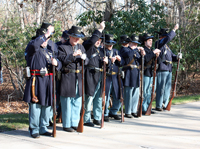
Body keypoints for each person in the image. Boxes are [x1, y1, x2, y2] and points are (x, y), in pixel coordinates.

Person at [23, 23, 61, 138]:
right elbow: (34, 45)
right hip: (36, 79)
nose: (45, 41)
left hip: (48, 79)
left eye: (47, 39)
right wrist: (46, 35)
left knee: (47, 105)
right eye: (44, 39)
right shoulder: (32, 46)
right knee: (36, 104)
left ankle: (43, 127)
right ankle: (34, 128)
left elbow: (58, 61)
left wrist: (57, 64)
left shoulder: (51, 48)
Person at [58, 26, 89, 132]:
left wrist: (85, 59)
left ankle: (74, 123)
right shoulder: (63, 47)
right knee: (67, 101)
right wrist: (73, 56)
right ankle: (66, 124)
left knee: (77, 101)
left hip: (78, 77)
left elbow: (87, 61)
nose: (77, 39)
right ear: (70, 36)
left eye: (78, 38)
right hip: (67, 76)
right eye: (75, 37)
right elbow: (62, 61)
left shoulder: (81, 46)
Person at [83, 21, 110, 126]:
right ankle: (86, 119)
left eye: (100, 40)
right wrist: (100, 29)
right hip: (90, 74)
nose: (98, 41)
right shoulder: (88, 47)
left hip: (100, 75)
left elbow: (106, 66)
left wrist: (106, 63)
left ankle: (97, 117)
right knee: (89, 97)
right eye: (97, 40)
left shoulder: (102, 51)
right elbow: (92, 40)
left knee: (99, 97)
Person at [155, 24, 182, 111]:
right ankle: (159, 105)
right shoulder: (159, 43)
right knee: (161, 88)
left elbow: (171, 56)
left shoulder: (166, 46)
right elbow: (168, 39)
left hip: (169, 68)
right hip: (162, 68)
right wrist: (174, 29)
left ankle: (165, 104)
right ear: (162, 37)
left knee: (167, 88)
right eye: (165, 36)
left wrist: (177, 57)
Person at [120, 34, 145, 118]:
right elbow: (127, 55)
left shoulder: (137, 52)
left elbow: (141, 62)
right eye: (134, 43)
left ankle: (134, 110)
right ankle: (128, 111)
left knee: (135, 93)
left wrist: (142, 55)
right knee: (128, 93)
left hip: (136, 72)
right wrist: (136, 49)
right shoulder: (125, 49)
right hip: (128, 73)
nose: (135, 45)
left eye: (137, 44)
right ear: (130, 43)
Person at [104, 34, 123, 122]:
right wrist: (109, 61)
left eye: (112, 43)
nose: (110, 45)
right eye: (108, 43)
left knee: (117, 94)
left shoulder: (116, 51)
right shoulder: (103, 51)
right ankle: (105, 113)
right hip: (107, 76)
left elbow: (121, 64)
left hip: (115, 76)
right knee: (106, 96)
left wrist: (119, 60)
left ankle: (114, 111)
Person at [140, 33, 161, 114]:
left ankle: (149, 107)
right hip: (145, 73)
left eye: (151, 41)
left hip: (152, 73)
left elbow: (159, 62)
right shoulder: (143, 50)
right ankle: (143, 108)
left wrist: (157, 56)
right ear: (145, 42)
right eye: (149, 40)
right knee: (145, 92)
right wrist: (153, 53)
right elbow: (146, 59)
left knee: (150, 92)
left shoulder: (151, 50)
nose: (151, 42)